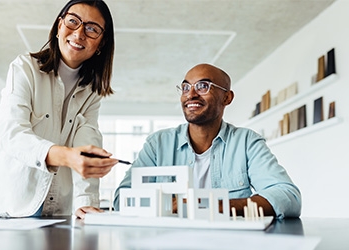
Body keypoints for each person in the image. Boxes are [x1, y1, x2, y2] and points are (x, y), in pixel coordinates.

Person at [0, 0, 120, 219]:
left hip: (43, 190)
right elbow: (11, 131)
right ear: (58, 26)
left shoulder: (92, 92)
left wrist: (86, 202)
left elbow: (86, 144)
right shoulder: (24, 68)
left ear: (101, 44)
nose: (80, 33)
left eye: (92, 29)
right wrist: (66, 156)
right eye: (73, 21)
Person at [113, 63, 301, 219]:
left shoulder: (246, 142)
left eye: (203, 86)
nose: (191, 94)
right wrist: (165, 204)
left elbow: (288, 197)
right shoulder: (158, 144)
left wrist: (207, 204)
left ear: (227, 97)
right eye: (186, 87)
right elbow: (122, 198)